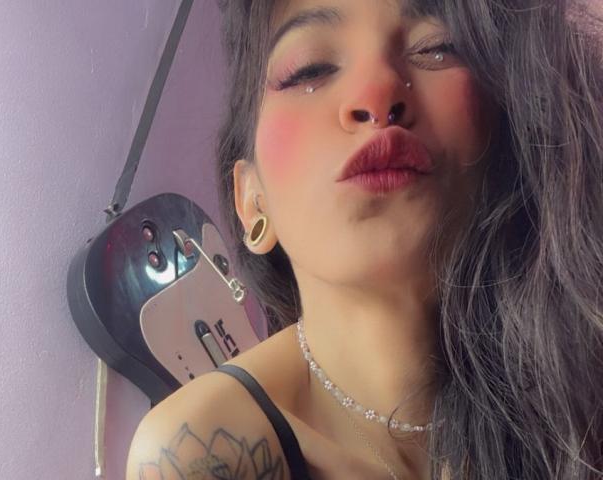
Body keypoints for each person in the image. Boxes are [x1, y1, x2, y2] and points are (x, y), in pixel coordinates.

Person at [126, 0, 603, 478]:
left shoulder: (581, 384)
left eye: (435, 48)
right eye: (310, 69)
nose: (377, 93)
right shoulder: (201, 450)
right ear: (252, 203)